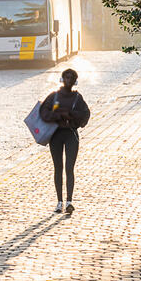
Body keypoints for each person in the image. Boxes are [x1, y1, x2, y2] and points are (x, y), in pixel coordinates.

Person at [39, 68, 90, 214]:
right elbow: (44, 112)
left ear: (75, 81)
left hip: (71, 135)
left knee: (69, 168)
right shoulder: (54, 97)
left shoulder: (77, 98)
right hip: (55, 136)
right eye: (66, 77)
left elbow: (85, 114)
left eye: (71, 78)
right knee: (58, 168)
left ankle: (69, 201)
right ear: (62, 79)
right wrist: (59, 116)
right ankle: (59, 201)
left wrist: (72, 117)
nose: (68, 80)